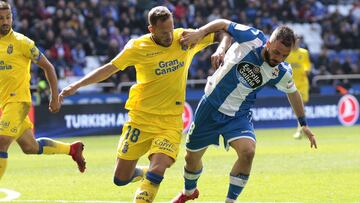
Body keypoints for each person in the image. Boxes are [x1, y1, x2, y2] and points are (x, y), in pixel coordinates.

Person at [59, 6, 231, 203]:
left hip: (170, 120)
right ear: (151, 29)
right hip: (140, 118)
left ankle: (152, 180)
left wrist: (221, 48)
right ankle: (147, 174)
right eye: (163, 32)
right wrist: (77, 85)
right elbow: (109, 68)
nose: (169, 36)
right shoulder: (137, 47)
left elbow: (223, 32)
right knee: (120, 178)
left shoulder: (184, 38)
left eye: (171, 28)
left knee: (159, 168)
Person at [172, 19, 318, 203]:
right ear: (268, 43)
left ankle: (231, 200)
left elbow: (293, 93)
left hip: (238, 116)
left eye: (284, 56)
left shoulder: (280, 71)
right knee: (191, 159)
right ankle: (189, 191)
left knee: (248, 151)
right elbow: (223, 23)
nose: (278, 59)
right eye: (276, 52)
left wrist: (303, 124)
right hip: (210, 107)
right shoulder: (252, 37)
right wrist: (200, 33)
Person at [0, 1, 86, 181]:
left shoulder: (22, 42)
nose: (5, 21)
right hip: (5, 103)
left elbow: (49, 67)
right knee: (30, 147)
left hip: (18, 101)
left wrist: (55, 97)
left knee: (1, 142)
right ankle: (72, 149)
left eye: (8, 17)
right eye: (1, 18)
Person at [285, 36, 312, 139]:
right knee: (297, 108)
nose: (296, 43)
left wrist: (306, 69)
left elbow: (307, 64)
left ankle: (300, 130)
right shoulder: (287, 53)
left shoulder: (304, 52)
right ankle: (304, 128)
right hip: (291, 83)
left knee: (302, 106)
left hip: (303, 83)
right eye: (294, 41)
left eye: (297, 41)